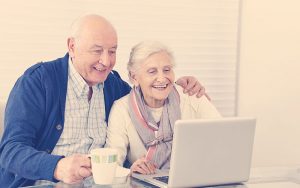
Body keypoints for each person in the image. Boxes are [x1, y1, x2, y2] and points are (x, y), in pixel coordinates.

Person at [0, 14, 207, 187]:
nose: (106, 61)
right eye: (97, 51)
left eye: (112, 51)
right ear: (72, 47)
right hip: (43, 183)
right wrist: (57, 167)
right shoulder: (38, 81)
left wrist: (176, 85)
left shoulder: (113, 85)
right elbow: (10, 151)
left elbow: (145, 94)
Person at [105, 41, 222, 175]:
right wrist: (130, 172)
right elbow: (111, 165)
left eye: (167, 70)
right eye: (152, 71)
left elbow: (223, 141)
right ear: (134, 77)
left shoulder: (192, 96)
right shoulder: (121, 109)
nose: (162, 78)